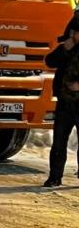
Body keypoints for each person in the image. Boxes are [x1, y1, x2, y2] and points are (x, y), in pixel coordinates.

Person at [44, 12, 79, 187]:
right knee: (58, 143)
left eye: (76, 33)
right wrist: (64, 49)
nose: (73, 36)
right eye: (72, 32)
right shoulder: (67, 47)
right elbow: (49, 61)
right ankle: (55, 177)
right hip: (65, 102)